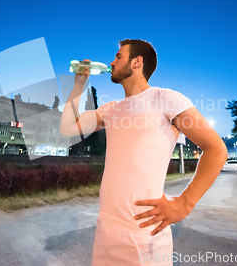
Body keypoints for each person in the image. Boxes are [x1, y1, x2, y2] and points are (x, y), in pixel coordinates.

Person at [60, 39, 228, 266]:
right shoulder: (111, 109)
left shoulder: (166, 99)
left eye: (118, 56)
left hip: (143, 235)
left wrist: (184, 204)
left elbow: (216, 149)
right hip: (106, 230)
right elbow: (68, 128)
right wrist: (79, 85)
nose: (112, 62)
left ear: (137, 62)